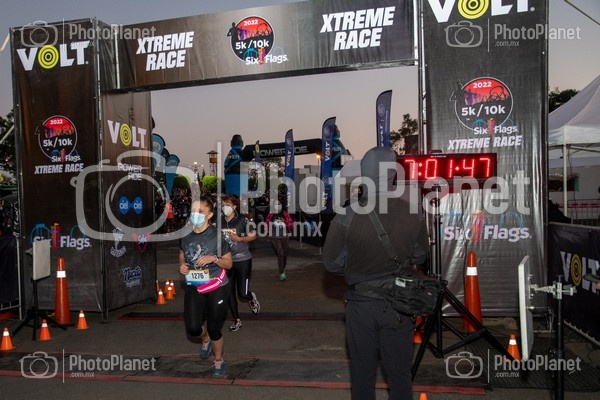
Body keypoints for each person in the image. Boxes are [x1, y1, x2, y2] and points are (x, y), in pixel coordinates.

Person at [323, 146, 429, 400]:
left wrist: (355, 266)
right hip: (400, 305)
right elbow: (420, 256)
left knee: (362, 374)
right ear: (392, 173)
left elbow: (331, 263)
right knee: (400, 374)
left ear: (365, 172)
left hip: (361, 304)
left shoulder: (347, 214)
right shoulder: (413, 211)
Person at [179, 195, 233, 377]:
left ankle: (218, 361)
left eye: (200, 211)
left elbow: (228, 264)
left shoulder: (216, 236)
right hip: (194, 285)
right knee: (193, 328)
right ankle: (205, 338)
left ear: (209, 215)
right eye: (193, 211)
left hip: (217, 286)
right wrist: (183, 266)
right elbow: (182, 253)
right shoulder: (185, 234)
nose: (195, 214)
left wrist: (214, 259)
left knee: (214, 328)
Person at [220, 194, 260, 332]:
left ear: (234, 206)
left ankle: (250, 297)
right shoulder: (219, 221)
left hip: (243, 260)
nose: (225, 207)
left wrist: (240, 239)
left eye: (228, 205)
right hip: (226, 261)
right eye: (223, 205)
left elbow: (253, 236)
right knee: (229, 292)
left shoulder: (243, 219)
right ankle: (236, 319)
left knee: (242, 293)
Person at [265, 198, 293, 281]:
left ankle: (282, 268)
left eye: (279, 204)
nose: (277, 206)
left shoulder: (285, 214)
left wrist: (285, 223)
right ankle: (281, 273)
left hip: (284, 236)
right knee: (280, 253)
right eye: (276, 204)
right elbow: (266, 224)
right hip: (274, 237)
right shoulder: (271, 215)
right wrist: (267, 233)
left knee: (285, 253)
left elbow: (290, 224)